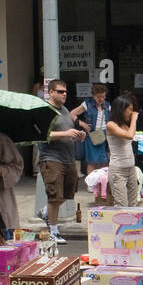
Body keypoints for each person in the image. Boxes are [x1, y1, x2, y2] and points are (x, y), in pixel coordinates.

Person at [35, 78, 86, 244]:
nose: (64, 94)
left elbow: (67, 132)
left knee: (68, 193)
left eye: (65, 92)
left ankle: (45, 212)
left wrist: (78, 135)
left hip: (68, 158)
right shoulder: (44, 111)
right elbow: (41, 136)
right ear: (50, 92)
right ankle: (53, 232)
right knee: (55, 197)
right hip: (51, 159)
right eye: (60, 91)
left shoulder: (64, 110)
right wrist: (65, 134)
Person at [106, 93, 140, 206]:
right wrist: (134, 119)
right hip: (118, 170)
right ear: (121, 109)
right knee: (121, 205)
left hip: (131, 167)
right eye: (129, 109)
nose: (131, 112)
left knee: (133, 204)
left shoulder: (124, 125)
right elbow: (130, 136)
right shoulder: (111, 125)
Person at [77, 83, 111, 171]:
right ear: (93, 95)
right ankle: (91, 184)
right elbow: (71, 114)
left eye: (103, 96)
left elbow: (111, 119)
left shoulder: (107, 105)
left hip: (105, 136)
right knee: (91, 162)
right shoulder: (87, 104)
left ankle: (102, 184)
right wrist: (82, 123)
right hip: (92, 136)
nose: (101, 99)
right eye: (98, 97)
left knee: (105, 162)